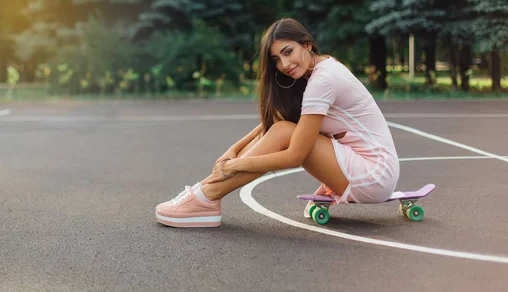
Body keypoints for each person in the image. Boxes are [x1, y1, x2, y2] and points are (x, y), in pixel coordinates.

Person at [155, 18, 400, 228]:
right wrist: (233, 149)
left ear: (307, 44)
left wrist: (237, 165)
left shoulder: (323, 81)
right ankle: (204, 193)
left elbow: (294, 155)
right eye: (276, 59)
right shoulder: (319, 69)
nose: (284, 65)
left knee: (284, 133)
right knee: (281, 129)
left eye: (288, 52)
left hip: (374, 175)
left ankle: (206, 196)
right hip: (367, 169)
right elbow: (274, 123)